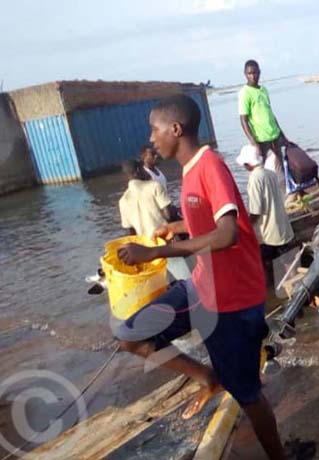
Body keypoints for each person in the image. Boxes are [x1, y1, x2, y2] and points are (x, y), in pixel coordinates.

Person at [113, 95, 287, 460]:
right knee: (130, 333)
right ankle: (208, 377)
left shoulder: (210, 165)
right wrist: (176, 226)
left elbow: (228, 234)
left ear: (175, 130)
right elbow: (209, 220)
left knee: (248, 394)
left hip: (231, 301)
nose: (152, 138)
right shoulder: (189, 170)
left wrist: (156, 253)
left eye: (154, 129)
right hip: (203, 287)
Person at [236, 145, 295, 282]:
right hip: (282, 227)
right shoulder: (270, 174)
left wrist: (246, 226)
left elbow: (256, 211)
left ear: (248, 164)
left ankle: (266, 287)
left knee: (261, 261)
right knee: (288, 262)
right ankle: (292, 287)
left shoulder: (255, 178)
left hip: (268, 234)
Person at [239, 59, 290, 183]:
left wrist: (282, 134)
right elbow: (243, 119)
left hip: (275, 135)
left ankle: (285, 193)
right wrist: (253, 141)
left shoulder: (264, 90)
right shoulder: (245, 93)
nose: (253, 76)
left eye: (255, 73)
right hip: (261, 139)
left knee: (281, 166)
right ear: (245, 74)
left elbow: (270, 114)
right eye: (250, 73)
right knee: (262, 171)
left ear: (259, 72)